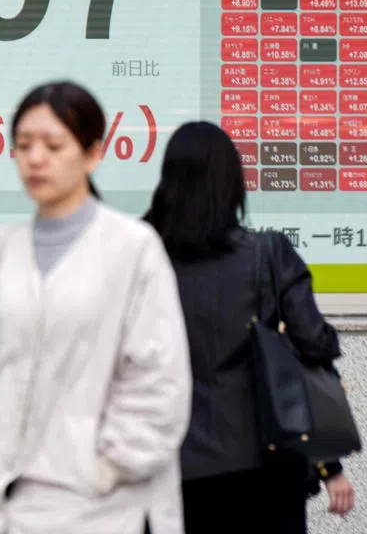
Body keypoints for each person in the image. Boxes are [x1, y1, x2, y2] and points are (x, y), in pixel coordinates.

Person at [0, 80, 193, 534]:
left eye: (54, 145)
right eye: (24, 145)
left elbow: (158, 380)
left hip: (94, 503)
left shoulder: (132, 248)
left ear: (92, 153)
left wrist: (106, 465)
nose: (35, 158)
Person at [142, 121, 355, 533]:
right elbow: (314, 344)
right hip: (262, 468)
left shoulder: (140, 258)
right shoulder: (268, 255)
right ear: (232, 184)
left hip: (164, 470)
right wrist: (330, 466)